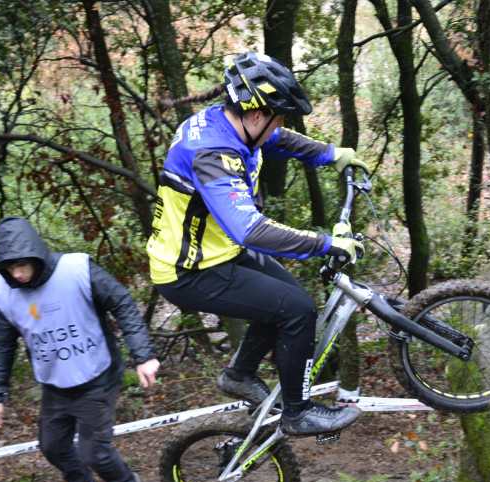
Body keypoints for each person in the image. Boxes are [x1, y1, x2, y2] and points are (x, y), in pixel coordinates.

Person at [147, 51, 367, 435]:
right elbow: (250, 231)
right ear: (254, 114)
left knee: (288, 297)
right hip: (188, 272)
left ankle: (239, 374)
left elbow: (278, 140)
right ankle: (298, 413)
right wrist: (325, 243)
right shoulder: (212, 154)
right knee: (297, 310)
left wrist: (333, 154)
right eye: (276, 117)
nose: (278, 126)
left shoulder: (228, 123)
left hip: (218, 253)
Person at [0, 217, 160, 482]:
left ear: (37, 255)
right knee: (52, 445)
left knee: (94, 450)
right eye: (11, 268)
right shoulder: (1, 291)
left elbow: (122, 303)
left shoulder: (77, 270)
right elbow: (1, 344)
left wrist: (143, 356)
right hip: (54, 381)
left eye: (24, 265)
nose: (19, 275)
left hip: (97, 374)